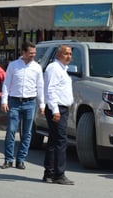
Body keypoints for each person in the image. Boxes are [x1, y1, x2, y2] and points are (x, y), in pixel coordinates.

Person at [1, 41, 45, 170]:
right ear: (23, 52)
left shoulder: (37, 67)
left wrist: (42, 104)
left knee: (27, 133)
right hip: (14, 101)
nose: (33, 55)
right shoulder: (13, 65)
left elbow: (40, 86)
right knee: (11, 131)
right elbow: (6, 83)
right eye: (30, 53)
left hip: (30, 102)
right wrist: (4, 100)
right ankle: (8, 159)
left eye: (34, 53)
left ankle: (20, 159)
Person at [42, 45, 74, 185]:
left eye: (70, 54)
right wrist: (55, 110)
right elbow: (50, 90)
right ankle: (58, 174)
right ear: (58, 55)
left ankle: (50, 173)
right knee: (61, 141)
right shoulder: (54, 68)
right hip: (57, 109)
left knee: (54, 141)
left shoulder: (62, 69)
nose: (69, 56)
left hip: (61, 108)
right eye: (66, 53)